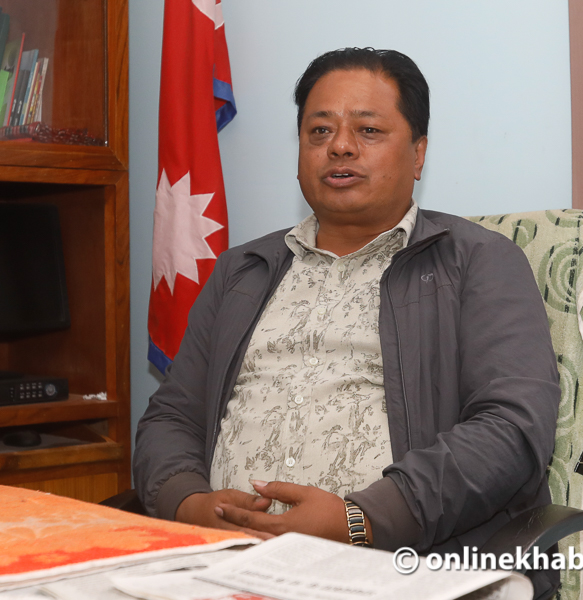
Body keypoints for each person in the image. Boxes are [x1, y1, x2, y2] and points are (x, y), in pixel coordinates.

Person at [134, 48, 560, 597]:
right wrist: (189, 503)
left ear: (418, 153)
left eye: (368, 129)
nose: (339, 146)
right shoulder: (243, 270)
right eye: (319, 130)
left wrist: (362, 519)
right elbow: (171, 417)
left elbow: (512, 428)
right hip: (221, 565)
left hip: (400, 569)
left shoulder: (480, 262)